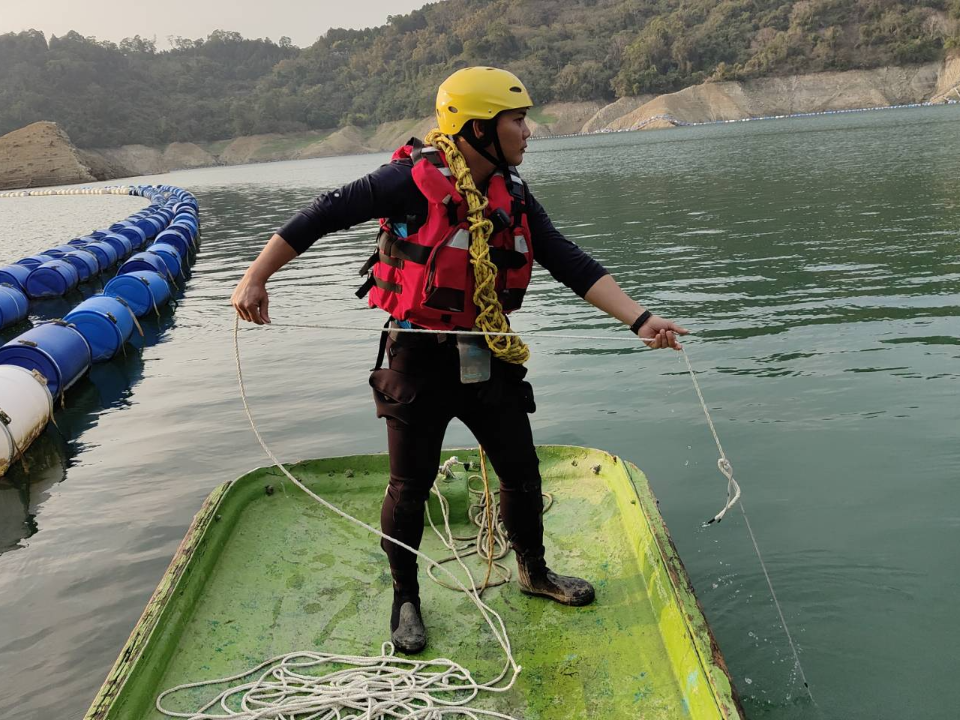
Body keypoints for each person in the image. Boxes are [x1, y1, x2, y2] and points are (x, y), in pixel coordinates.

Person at [232, 67, 688, 654]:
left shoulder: (514, 193)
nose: (529, 131)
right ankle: (406, 600)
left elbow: (566, 259)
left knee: (521, 473)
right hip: (417, 360)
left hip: (488, 354)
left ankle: (533, 572)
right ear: (478, 127)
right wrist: (254, 277)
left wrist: (641, 320)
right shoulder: (405, 181)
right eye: (518, 120)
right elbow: (323, 213)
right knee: (409, 485)